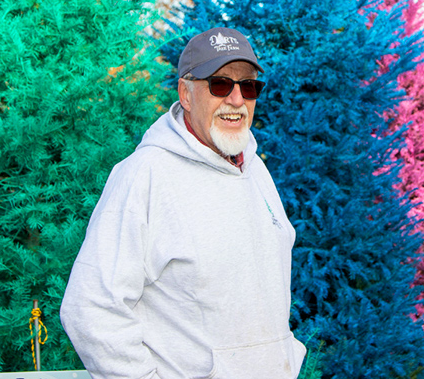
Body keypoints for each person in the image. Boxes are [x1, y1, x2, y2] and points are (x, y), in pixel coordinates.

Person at [60, 27, 306, 379]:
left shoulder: (255, 169)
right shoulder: (144, 176)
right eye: (220, 84)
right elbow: (91, 309)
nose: (236, 99)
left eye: (248, 86)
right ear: (186, 94)